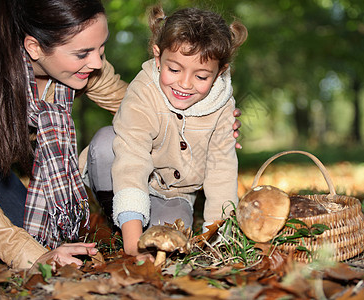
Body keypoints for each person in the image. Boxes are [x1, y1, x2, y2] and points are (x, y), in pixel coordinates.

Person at [0, 0, 241, 269]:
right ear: (34, 48)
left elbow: (135, 110)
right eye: (83, 53)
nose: (97, 62)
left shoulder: (89, 67)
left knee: (34, 232)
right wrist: (28, 254)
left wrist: (203, 123)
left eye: (101, 48)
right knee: (21, 246)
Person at [87, 5, 247, 258]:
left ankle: (151, 220)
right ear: (157, 56)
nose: (184, 84)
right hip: (126, 174)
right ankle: (124, 221)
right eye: (174, 70)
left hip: (176, 193)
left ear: (220, 72)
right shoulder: (143, 91)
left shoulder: (223, 106)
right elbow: (132, 158)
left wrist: (219, 239)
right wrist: (132, 245)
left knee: (170, 243)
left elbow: (222, 170)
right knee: (107, 141)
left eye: (202, 76)